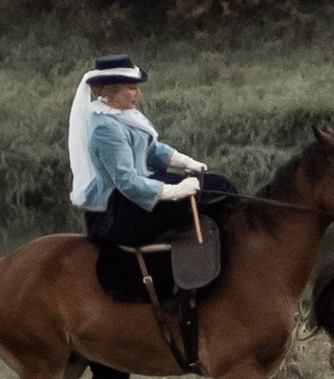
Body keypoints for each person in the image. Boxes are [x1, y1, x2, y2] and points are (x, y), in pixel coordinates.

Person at [68, 53, 230, 249]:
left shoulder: (124, 116)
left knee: (220, 186)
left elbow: (150, 150)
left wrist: (185, 162)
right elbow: (126, 181)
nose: (138, 94)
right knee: (208, 196)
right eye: (131, 88)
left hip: (141, 188)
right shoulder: (105, 128)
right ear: (111, 91)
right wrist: (175, 191)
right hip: (121, 208)